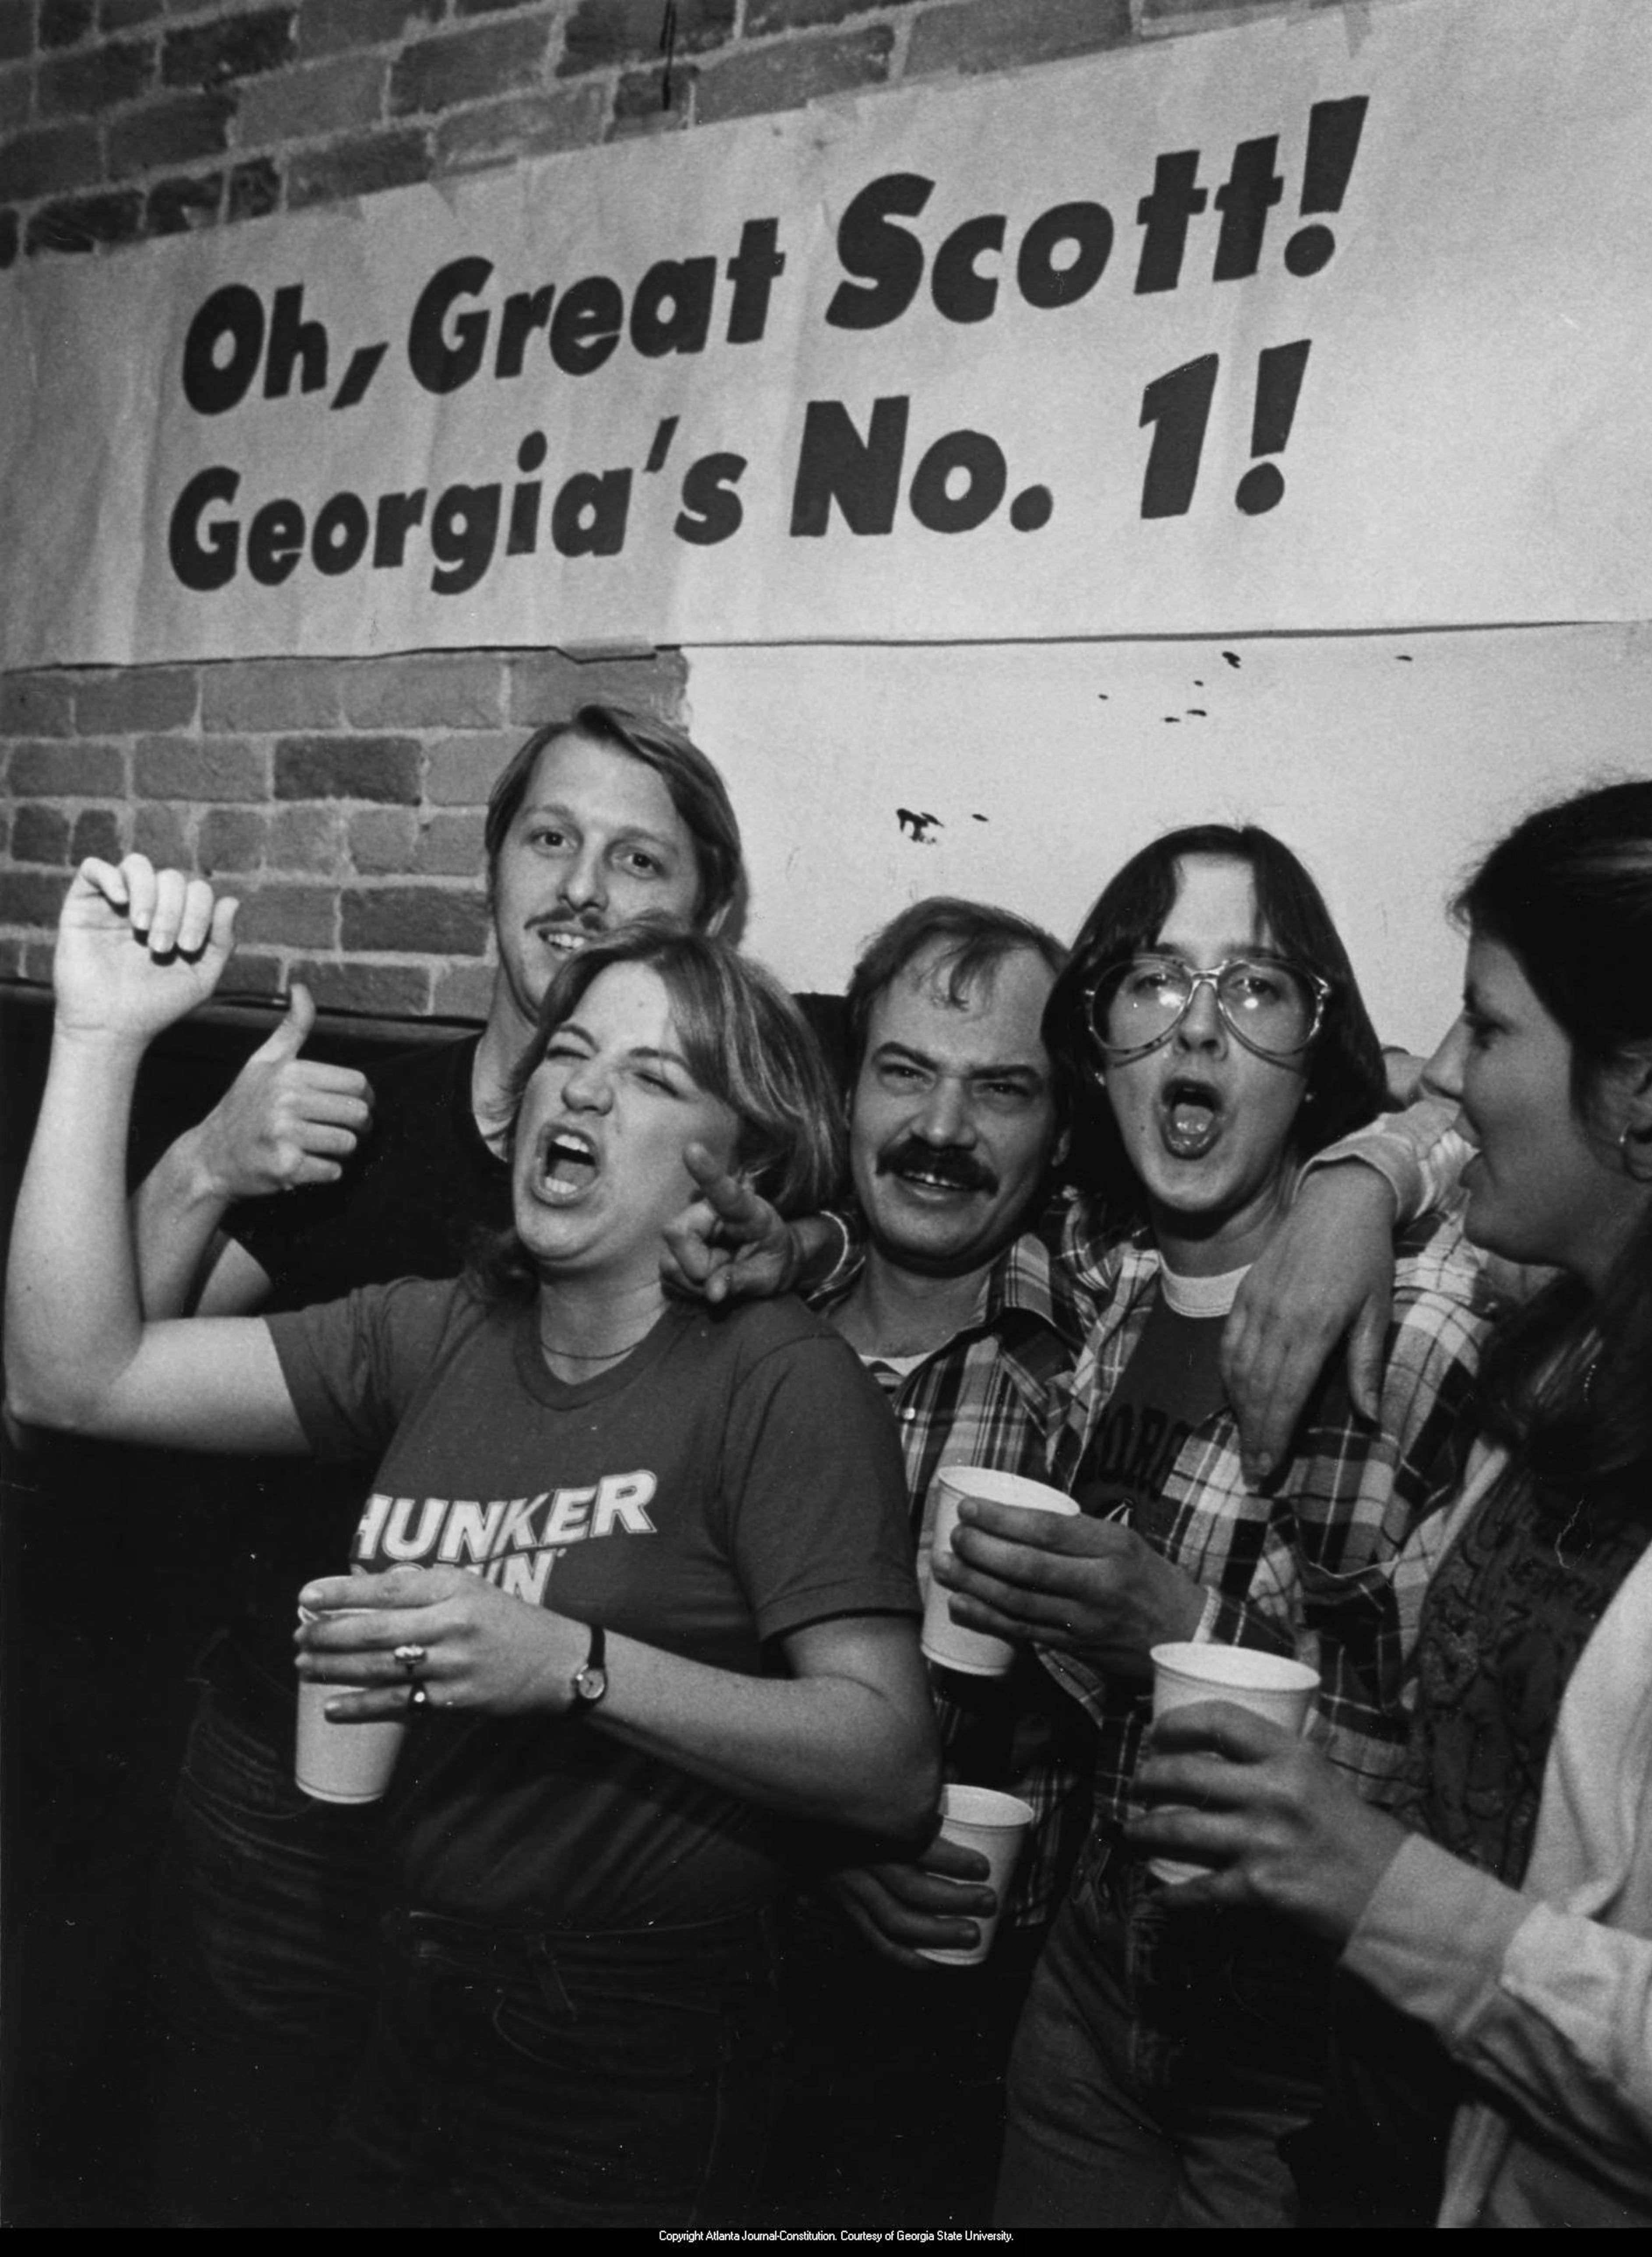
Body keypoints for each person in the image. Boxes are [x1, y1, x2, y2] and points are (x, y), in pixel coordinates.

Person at [6, 859, 940, 2229]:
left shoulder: (776, 1376)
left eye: (654, 1075)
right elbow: (70, 1377)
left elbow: (890, 1765)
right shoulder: (437, 1332)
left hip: (629, 2041)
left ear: (740, 1165)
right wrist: (98, 1039)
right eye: (570, 1051)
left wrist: (572, 1663)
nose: (584, 1087)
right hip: (408, 1983)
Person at [125, 703, 746, 2225]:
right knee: (226, 2164)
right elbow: (104, 1363)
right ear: (492, 871)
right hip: (285, 1768)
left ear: (708, 917)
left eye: (636, 859)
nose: (583, 888)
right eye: (550, 838)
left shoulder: (714, 1160)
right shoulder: (346, 1120)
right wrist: (207, 1160)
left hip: (555, 1819)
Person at [1128, 778, 1652, 2228]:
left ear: (1651, 1087)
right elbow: (1427, 1128)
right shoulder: (1573, 1348)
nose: (1444, 1066)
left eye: (1490, 1025)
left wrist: (1377, 1887)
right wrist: (1355, 1179)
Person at [933, 824, 1493, 2227]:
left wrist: (1175, 1634)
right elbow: (911, 1215)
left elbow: (1456, 1802)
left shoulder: (1413, 1333)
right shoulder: (1102, 1286)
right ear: (1103, 1046)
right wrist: (793, 1240)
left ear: (1316, 1049)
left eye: (1253, 988)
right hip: (1091, 1975)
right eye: (1151, 984)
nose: (1195, 1029)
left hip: (1298, 2045)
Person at [754, 899, 1092, 2225]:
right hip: (722, 1967)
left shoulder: (1093, 1367)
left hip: (980, 2037)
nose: (943, 1131)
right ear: (847, 1101)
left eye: (1001, 1090)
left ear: (1063, 1131)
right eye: (906, 1074)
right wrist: (819, 1841)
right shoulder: (744, 1332)